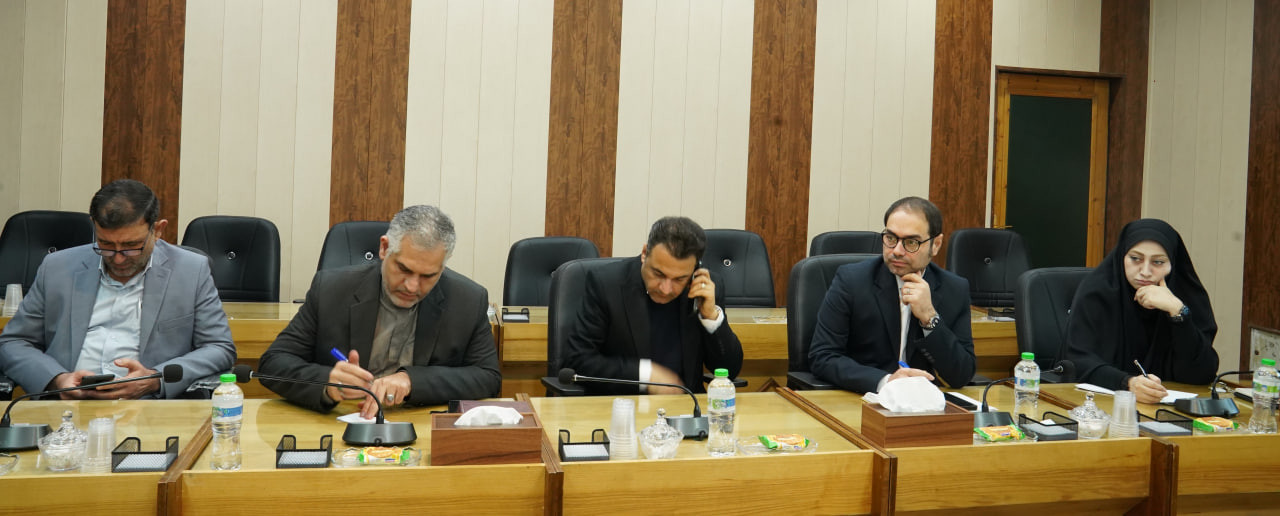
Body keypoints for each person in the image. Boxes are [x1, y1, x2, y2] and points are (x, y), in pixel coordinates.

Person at [0, 180, 235, 399]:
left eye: (131, 246)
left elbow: (219, 348)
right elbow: (13, 342)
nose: (119, 258)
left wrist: (155, 378)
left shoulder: (191, 270)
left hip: (149, 407)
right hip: (66, 407)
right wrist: (57, 379)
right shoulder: (57, 268)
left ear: (158, 230)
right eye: (106, 245)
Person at [259, 205, 500, 418]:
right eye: (404, 269)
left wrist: (412, 381)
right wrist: (328, 383)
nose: (412, 286)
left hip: (420, 424)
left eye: (428, 276)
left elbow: (488, 377)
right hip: (341, 419)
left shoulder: (468, 300)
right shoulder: (331, 289)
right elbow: (273, 363)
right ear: (384, 248)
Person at [808, 196, 975, 393]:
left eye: (911, 242)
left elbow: (961, 374)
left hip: (922, 402)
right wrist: (886, 381)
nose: (897, 251)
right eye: (890, 238)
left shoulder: (954, 289)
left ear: (936, 244)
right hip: (862, 397)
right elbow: (823, 356)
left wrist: (930, 318)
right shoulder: (852, 281)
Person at [564, 216, 743, 395]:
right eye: (658, 274)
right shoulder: (606, 284)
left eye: (679, 279)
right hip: (623, 404)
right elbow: (577, 360)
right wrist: (645, 375)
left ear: (695, 270)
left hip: (686, 405)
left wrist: (711, 317)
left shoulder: (704, 289)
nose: (666, 289)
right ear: (644, 254)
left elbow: (730, 370)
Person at [1065, 219, 1217, 404]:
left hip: (1168, 408)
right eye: (1135, 259)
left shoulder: (1186, 297)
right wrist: (1127, 383)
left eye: (1158, 262)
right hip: (1097, 405)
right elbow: (1077, 361)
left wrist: (1177, 312)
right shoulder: (1097, 292)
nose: (1145, 271)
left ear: (1173, 264)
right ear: (1122, 256)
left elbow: (1201, 373)